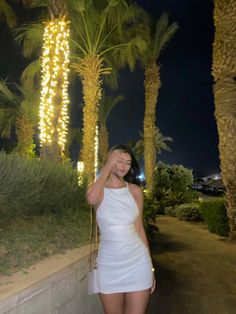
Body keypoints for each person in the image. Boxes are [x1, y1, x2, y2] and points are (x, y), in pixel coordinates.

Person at [86, 144, 156, 314]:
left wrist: (151, 268)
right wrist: (108, 166)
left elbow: (139, 228)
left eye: (128, 163)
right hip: (109, 265)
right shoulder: (99, 191)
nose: (124, 166)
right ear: (110, 161)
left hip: (138, 263)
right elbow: (91, 199)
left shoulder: (135, 191)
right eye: (119, 161)